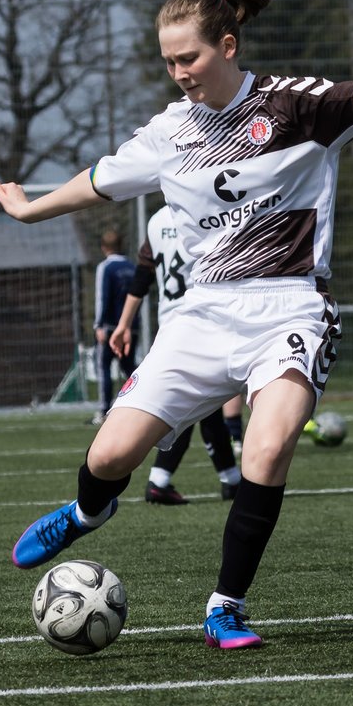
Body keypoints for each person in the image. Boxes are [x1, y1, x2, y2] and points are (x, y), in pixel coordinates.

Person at [0, 0, 353, 649]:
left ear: (229, 46)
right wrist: (31, 211)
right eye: (169, 61)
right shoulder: (169, 131)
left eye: (191, 57)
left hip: (291, 308)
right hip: (202, 315)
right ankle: (88, 514)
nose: (179, 71)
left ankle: (227, 606)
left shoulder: (292, 105)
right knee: (109, 455)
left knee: (266, 452)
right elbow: (99, 181)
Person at [110, 204, 243, 504]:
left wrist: (123, 324)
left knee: (205, 406)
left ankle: (229, 479)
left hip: (169, 324)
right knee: (195, 406)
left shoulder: (156, 221)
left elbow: (142, 278)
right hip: (202, 319)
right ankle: (163, 480)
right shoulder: (206, 210)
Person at [92, 229, 136, 426]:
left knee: (104, 368)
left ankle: (104, 410)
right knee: (130, 369)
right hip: (130, 327)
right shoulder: (132, 267)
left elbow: (103, 297)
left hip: (111, 328)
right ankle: (138, 405)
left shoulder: (106, 268)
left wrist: (99, 324)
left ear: (104, 247)